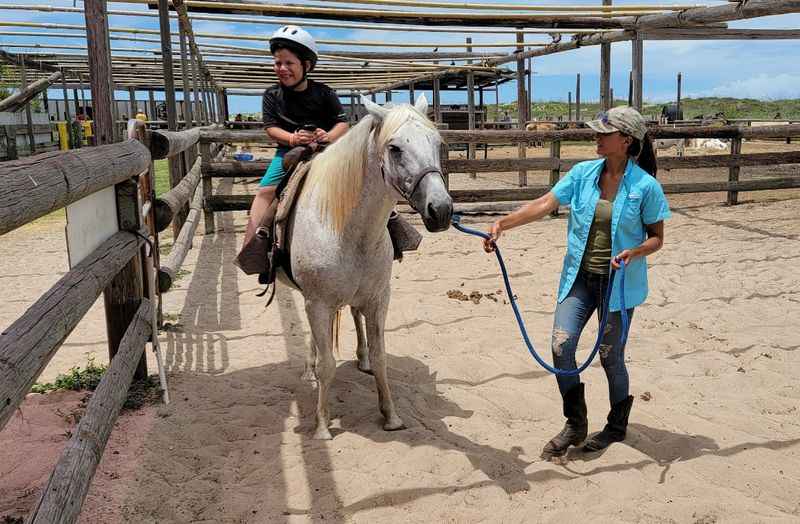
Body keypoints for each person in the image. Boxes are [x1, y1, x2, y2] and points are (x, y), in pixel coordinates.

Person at [482, 106, 670, 458]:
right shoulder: (583, 173)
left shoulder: (646, 187)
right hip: (581, 280)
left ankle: (616, 426)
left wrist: (635, 252)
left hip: (618, 285)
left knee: (610, 356)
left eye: (604, 132)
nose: (596, 137)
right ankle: (576, 422)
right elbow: (544, 203)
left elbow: (657, 237)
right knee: (560, 346)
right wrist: (502, 224)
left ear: (626, 140)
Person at [243, 25, 349, 249]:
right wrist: (292, 139)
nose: (282, 68)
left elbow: (343, 123)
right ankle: (253, 248)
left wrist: (327, 136)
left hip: (326, 151)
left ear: (306, 65)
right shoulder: (272, 95)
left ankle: (392, 228)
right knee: (265, 192)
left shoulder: (325, 93)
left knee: (362, 181)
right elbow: (270, 127)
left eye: (289, 63)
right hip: (287, 153)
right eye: (277, 63)